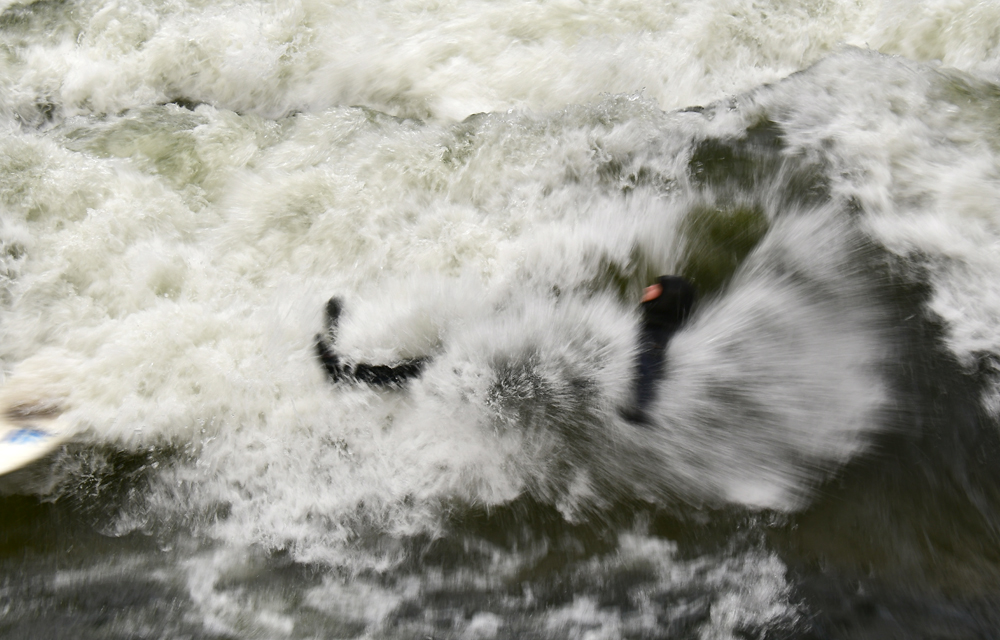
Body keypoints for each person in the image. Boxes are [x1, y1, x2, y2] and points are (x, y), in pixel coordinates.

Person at [314, 276, 697, 422]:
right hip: (534, 376)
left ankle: (347, 373)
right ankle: (353, 351)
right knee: (436, 361)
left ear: (663, 298)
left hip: (527, 381)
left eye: (656, 288)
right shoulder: (643, 332)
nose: (647, 289)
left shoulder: (651, 339)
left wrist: (638, 405)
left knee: (432, 368)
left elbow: (646, 369)